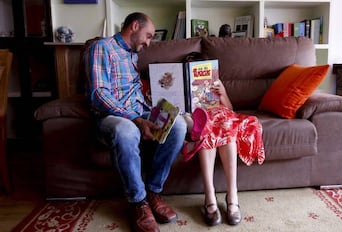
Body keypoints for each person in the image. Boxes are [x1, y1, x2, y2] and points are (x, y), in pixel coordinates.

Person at [85, 12, 187, 232]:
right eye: (148, 36)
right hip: (111, 118)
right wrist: (135, 118)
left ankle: (153, 191)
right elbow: (98, 94)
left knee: (178, 125)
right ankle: (138, 202)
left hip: (140, 111)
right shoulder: (101, 48)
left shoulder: (133, 54)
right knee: (126, 130)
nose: (149, 43)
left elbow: (135, 93)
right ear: (134, 26)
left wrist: (157, 108)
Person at [180, 52, 265, 226]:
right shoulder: (181, 83)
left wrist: (223, 93)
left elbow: (231, 109)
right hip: (199, 116)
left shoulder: (216, 82)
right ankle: (209, 195)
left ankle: (232, 194)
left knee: (226, 125)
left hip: (221, 116)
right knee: (203, 126)